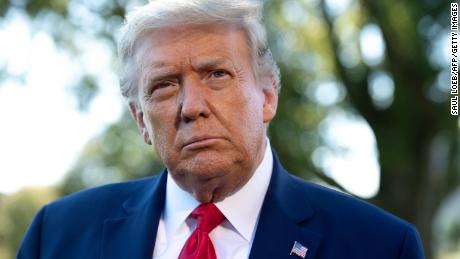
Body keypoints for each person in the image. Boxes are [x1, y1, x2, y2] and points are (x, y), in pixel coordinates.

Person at [17, 0, 425, 258]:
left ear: (267, 96)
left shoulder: (380, 246)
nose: (191, 107)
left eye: (216, 74)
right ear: (141, 120)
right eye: (164, 85)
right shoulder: (57, 236)